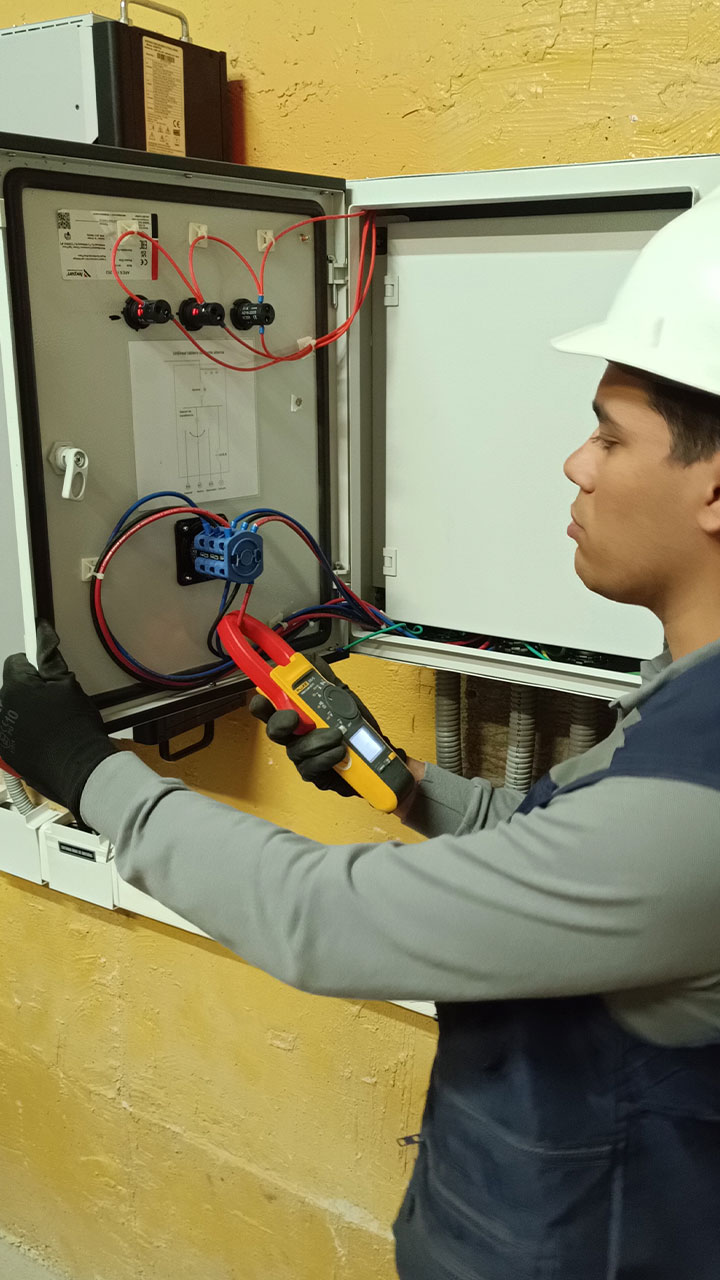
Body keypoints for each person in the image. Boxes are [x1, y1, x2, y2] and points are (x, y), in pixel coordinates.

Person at [3, 187, 720, 1280]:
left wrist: (84, 770)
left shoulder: (699, 809)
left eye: (609, 435)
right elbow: (561, 841)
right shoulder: (686, 701)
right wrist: (400, 780)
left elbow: (323, 918)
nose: (576, 464)